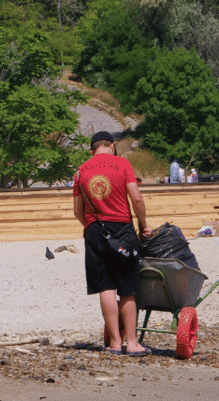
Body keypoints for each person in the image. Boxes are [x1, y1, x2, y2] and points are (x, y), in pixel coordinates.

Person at [73, 130, 151, 357]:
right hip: (121, 229)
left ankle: (115, 343)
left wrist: (90, 225)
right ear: (112, 145)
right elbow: (136, 197)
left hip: (94, 230)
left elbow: (77, 210)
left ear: (92, 150)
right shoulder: (122, 164)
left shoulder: (80, 172)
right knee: (127, 287)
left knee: (105, 286)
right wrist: (143, 225)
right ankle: (133, 343)